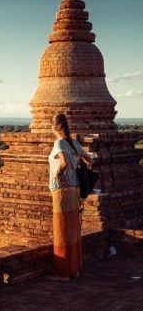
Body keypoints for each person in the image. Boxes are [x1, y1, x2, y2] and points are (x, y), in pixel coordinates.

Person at [47, 113, 93, 281]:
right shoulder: (74, 143)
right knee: (73, 230)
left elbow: (64, 162)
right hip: (75, 190)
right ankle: (75, 269)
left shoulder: (59, 143)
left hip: (62, 190)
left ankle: (64, 272)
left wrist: (58, 175)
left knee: (62, 230)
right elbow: (89, 160)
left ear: (53, 127)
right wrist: (78, 175)